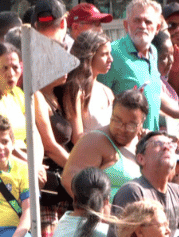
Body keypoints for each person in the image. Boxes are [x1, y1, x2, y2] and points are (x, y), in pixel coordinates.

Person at [61, 89, 145, 198]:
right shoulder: (95, 140)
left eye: (131, 125)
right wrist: (97, 211)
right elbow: (69, 179)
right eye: (117, 120)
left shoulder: (142, 144)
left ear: (141, 124)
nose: (122, 129)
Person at [97, 0, 162, 132]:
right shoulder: (112, 53)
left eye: (148, 22)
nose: (142, 26)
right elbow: (98, 104)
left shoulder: (154, 52)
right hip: (122, 143)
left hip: (149, 142)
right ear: (126, 25)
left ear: (157, 28)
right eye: (137, 20)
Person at [63, 30, 114, 144]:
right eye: (104, 54)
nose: (111, 59)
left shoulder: (107, 92)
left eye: (110, 53)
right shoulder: (76, 91)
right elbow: (77, 138)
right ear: (90, 56)